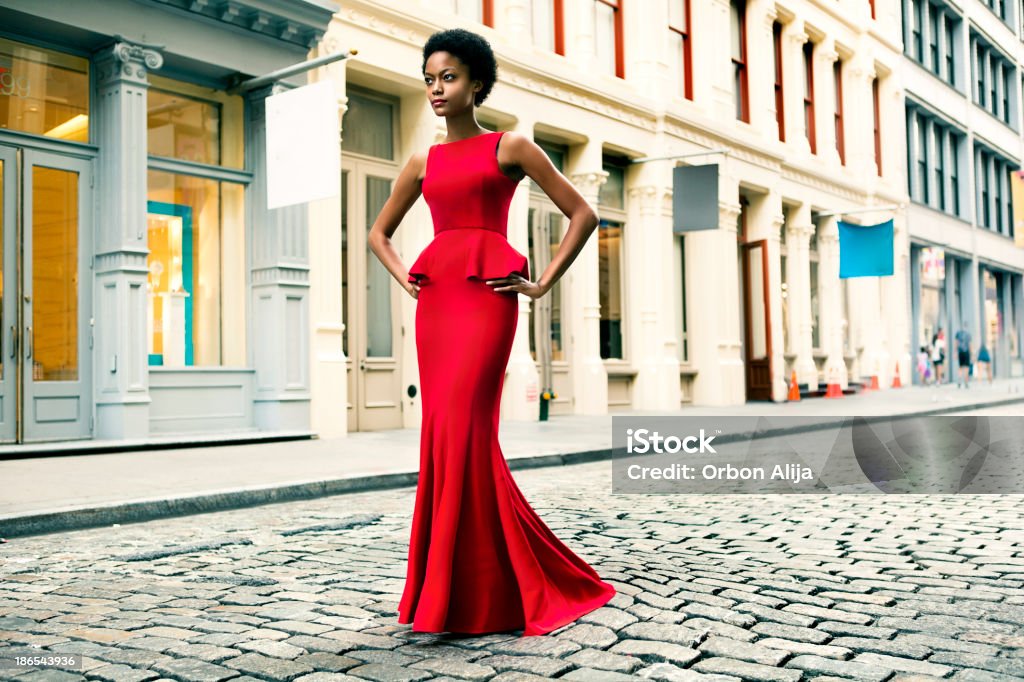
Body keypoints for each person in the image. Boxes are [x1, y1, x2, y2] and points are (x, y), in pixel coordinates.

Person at [367, 28, 615, 637]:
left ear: (477, 83)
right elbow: (378, 234)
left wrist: (542, 284)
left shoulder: (512, 147)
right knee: (443, 434)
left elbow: (584, 214)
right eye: (429, 79)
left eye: (447, 77)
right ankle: (452, 586)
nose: (436, 89)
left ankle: (475, 588)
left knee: (468, 430)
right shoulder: (423, 160)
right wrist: (408, 280)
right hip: (439, 302)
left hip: (487, 300)